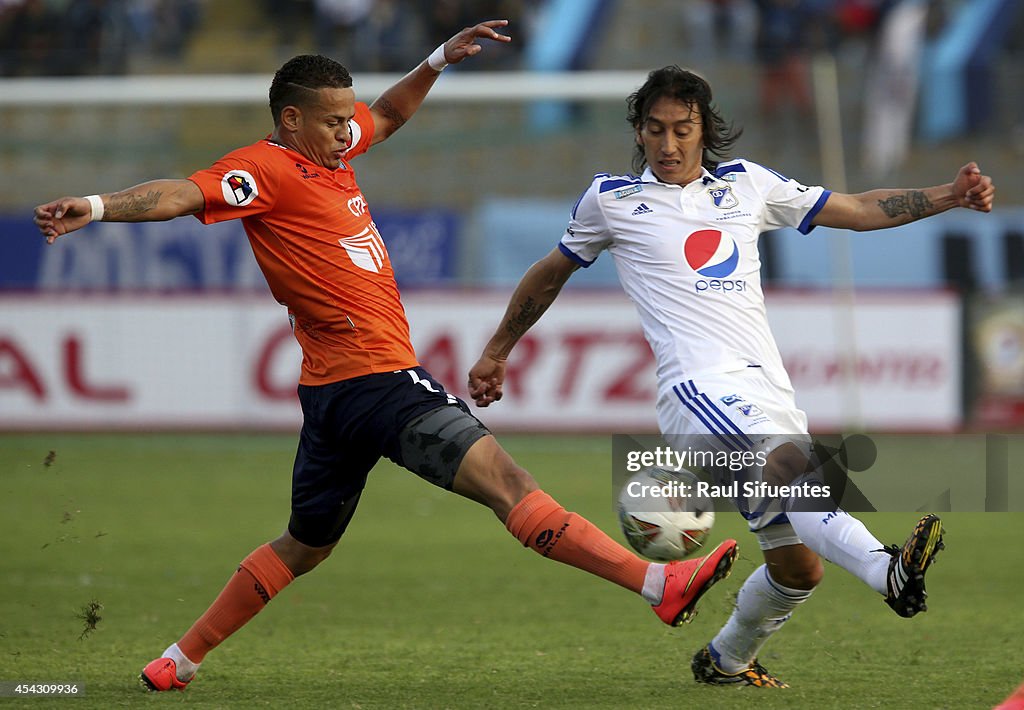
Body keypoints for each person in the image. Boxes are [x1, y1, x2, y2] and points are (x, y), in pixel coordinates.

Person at [33, 26, 740, 693]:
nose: (350, 130)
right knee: (507, 481)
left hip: (333, 395)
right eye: (334, 120)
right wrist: (96, 206)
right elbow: (181, 194)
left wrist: (436, 60)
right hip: (377, 380)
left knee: (304, 546)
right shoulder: (265, 169)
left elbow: (390, 115)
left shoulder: (331, 154)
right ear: (290, 122)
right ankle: (658, 585)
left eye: (348, 118)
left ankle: (177, 660)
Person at [469, 65, 996, 687]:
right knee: (793, 474)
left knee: (797, 569)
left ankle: (725, 659)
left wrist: (948, 196)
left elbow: (855, 208)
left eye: (682, 130)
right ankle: (888, 570)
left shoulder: (748, 186)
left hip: (765, 390)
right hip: (698, 390)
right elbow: (550, 272)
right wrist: (499, 349)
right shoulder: (613, 201)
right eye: (656, 130)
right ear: (638, 132)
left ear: (704, 130)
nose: (668, 145)